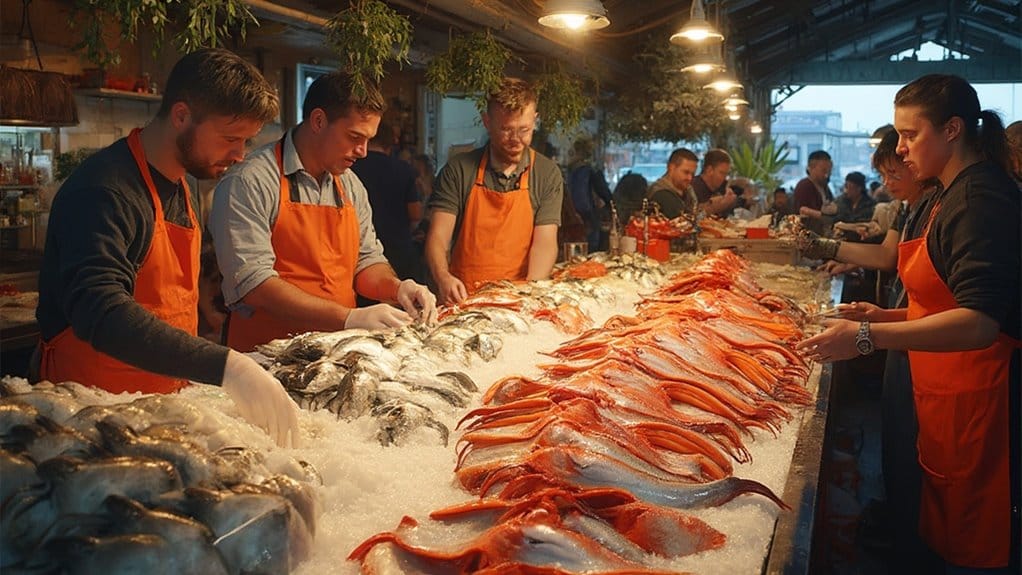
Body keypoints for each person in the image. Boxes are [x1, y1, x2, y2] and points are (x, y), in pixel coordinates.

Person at [800, 74, 1020, 574]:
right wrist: (886, 313)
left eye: (909, 135)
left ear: (952, 130)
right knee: (940, 522)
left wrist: (866, 335)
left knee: (977, 540)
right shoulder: (946, 193)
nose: (900, 149)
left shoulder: (980, 200)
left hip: (982, 399)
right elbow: (945, 301)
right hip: (944, 391)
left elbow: (981, 321)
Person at [33, 49, 298, 446]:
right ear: (181, 116)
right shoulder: (106, 190)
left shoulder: (182, 180)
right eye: (230, 139)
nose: (240, 155)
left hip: (158, 410)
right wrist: (225, 365)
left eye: (246, 141)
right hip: (87, 420)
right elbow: (98, 310)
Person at [210, 71, 437, 353]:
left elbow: (366, 262)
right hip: (266, 357)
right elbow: (254, 285)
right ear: (318, 121)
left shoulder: (350, 185)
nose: (363, 151)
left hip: (336, 351)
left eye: (369, 139)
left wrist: (397, 287)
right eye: (354, 136)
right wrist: (348, 317)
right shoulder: (250, 181)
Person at [425, 78, 563, 305]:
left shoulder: (547, 173)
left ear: (535, 120)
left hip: (518, 297)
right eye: (506, 130)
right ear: (487, 122)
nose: (516, 140)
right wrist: (442, 278)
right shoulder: (459, 170)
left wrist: (531, 294)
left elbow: (545, 243)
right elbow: (438, 237)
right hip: (463, 299)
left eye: (524, 130)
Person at [351, 121, 424, 284]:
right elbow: (416, 213)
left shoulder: (351, 168)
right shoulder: (404, 169)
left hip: (357, 259)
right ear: (391, 142)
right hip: (399, 251)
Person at [566, 137, 612, 251]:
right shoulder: (590, 169)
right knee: (591, 247)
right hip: (588, 215)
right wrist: (610, 204)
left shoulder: (570, 168)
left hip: (572, 215)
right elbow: (603, 191)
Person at [646, 148, 698, 220]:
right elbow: (686, 223)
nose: (690, 178)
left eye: (693, 174)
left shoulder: (687, 191)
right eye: (686, 172)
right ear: (671, 167)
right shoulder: (661, 194)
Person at [794, 150, 836, 234]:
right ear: (811, 168)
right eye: (824, 171)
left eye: (829, 171)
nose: (827, 175)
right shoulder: (804, 186)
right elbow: (804, 216)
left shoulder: (825, 187)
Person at [691, 149, 737, 217]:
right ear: (709, 170)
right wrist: (715, 207)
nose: (724, 178)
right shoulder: (693, 188)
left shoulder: (723, 186)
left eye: (726, 174)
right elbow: (692, 216)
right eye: (722, 173)